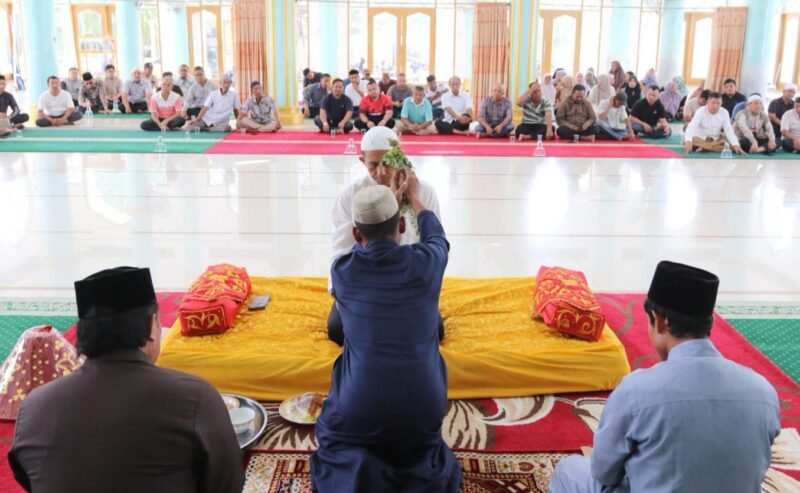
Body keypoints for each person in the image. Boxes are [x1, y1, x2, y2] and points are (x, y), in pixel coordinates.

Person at [549, 260, 780, 493]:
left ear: (660, 320)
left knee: (569, 470)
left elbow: (604, 472)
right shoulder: (763, 391)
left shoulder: (636, 391)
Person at [8, 267, 244, 492]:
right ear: (152, 327)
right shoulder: (195, 397)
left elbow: (28, 477)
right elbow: (228, 485)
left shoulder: (34, 406)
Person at [313, 179, 460, 493]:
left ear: (355, 233)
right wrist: (414, 199)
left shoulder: (343, 271)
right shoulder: (427, 262)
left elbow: (359, 251)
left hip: (360, 407)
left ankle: (365, 470)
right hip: (424, 407)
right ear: (403, 224)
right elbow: (437, 235)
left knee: (338, 412)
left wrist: (379, 206)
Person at [328, 126, 443, 345]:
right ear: (362, 162)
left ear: (399, 156)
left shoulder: (423, 192)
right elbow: (340, 256)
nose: (382, 170)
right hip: (366, 287)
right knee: (337, 329)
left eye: (388, 161)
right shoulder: (349, 196)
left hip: (410, 285)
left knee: (434, 328)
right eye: (373, 164)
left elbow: (432, 244)